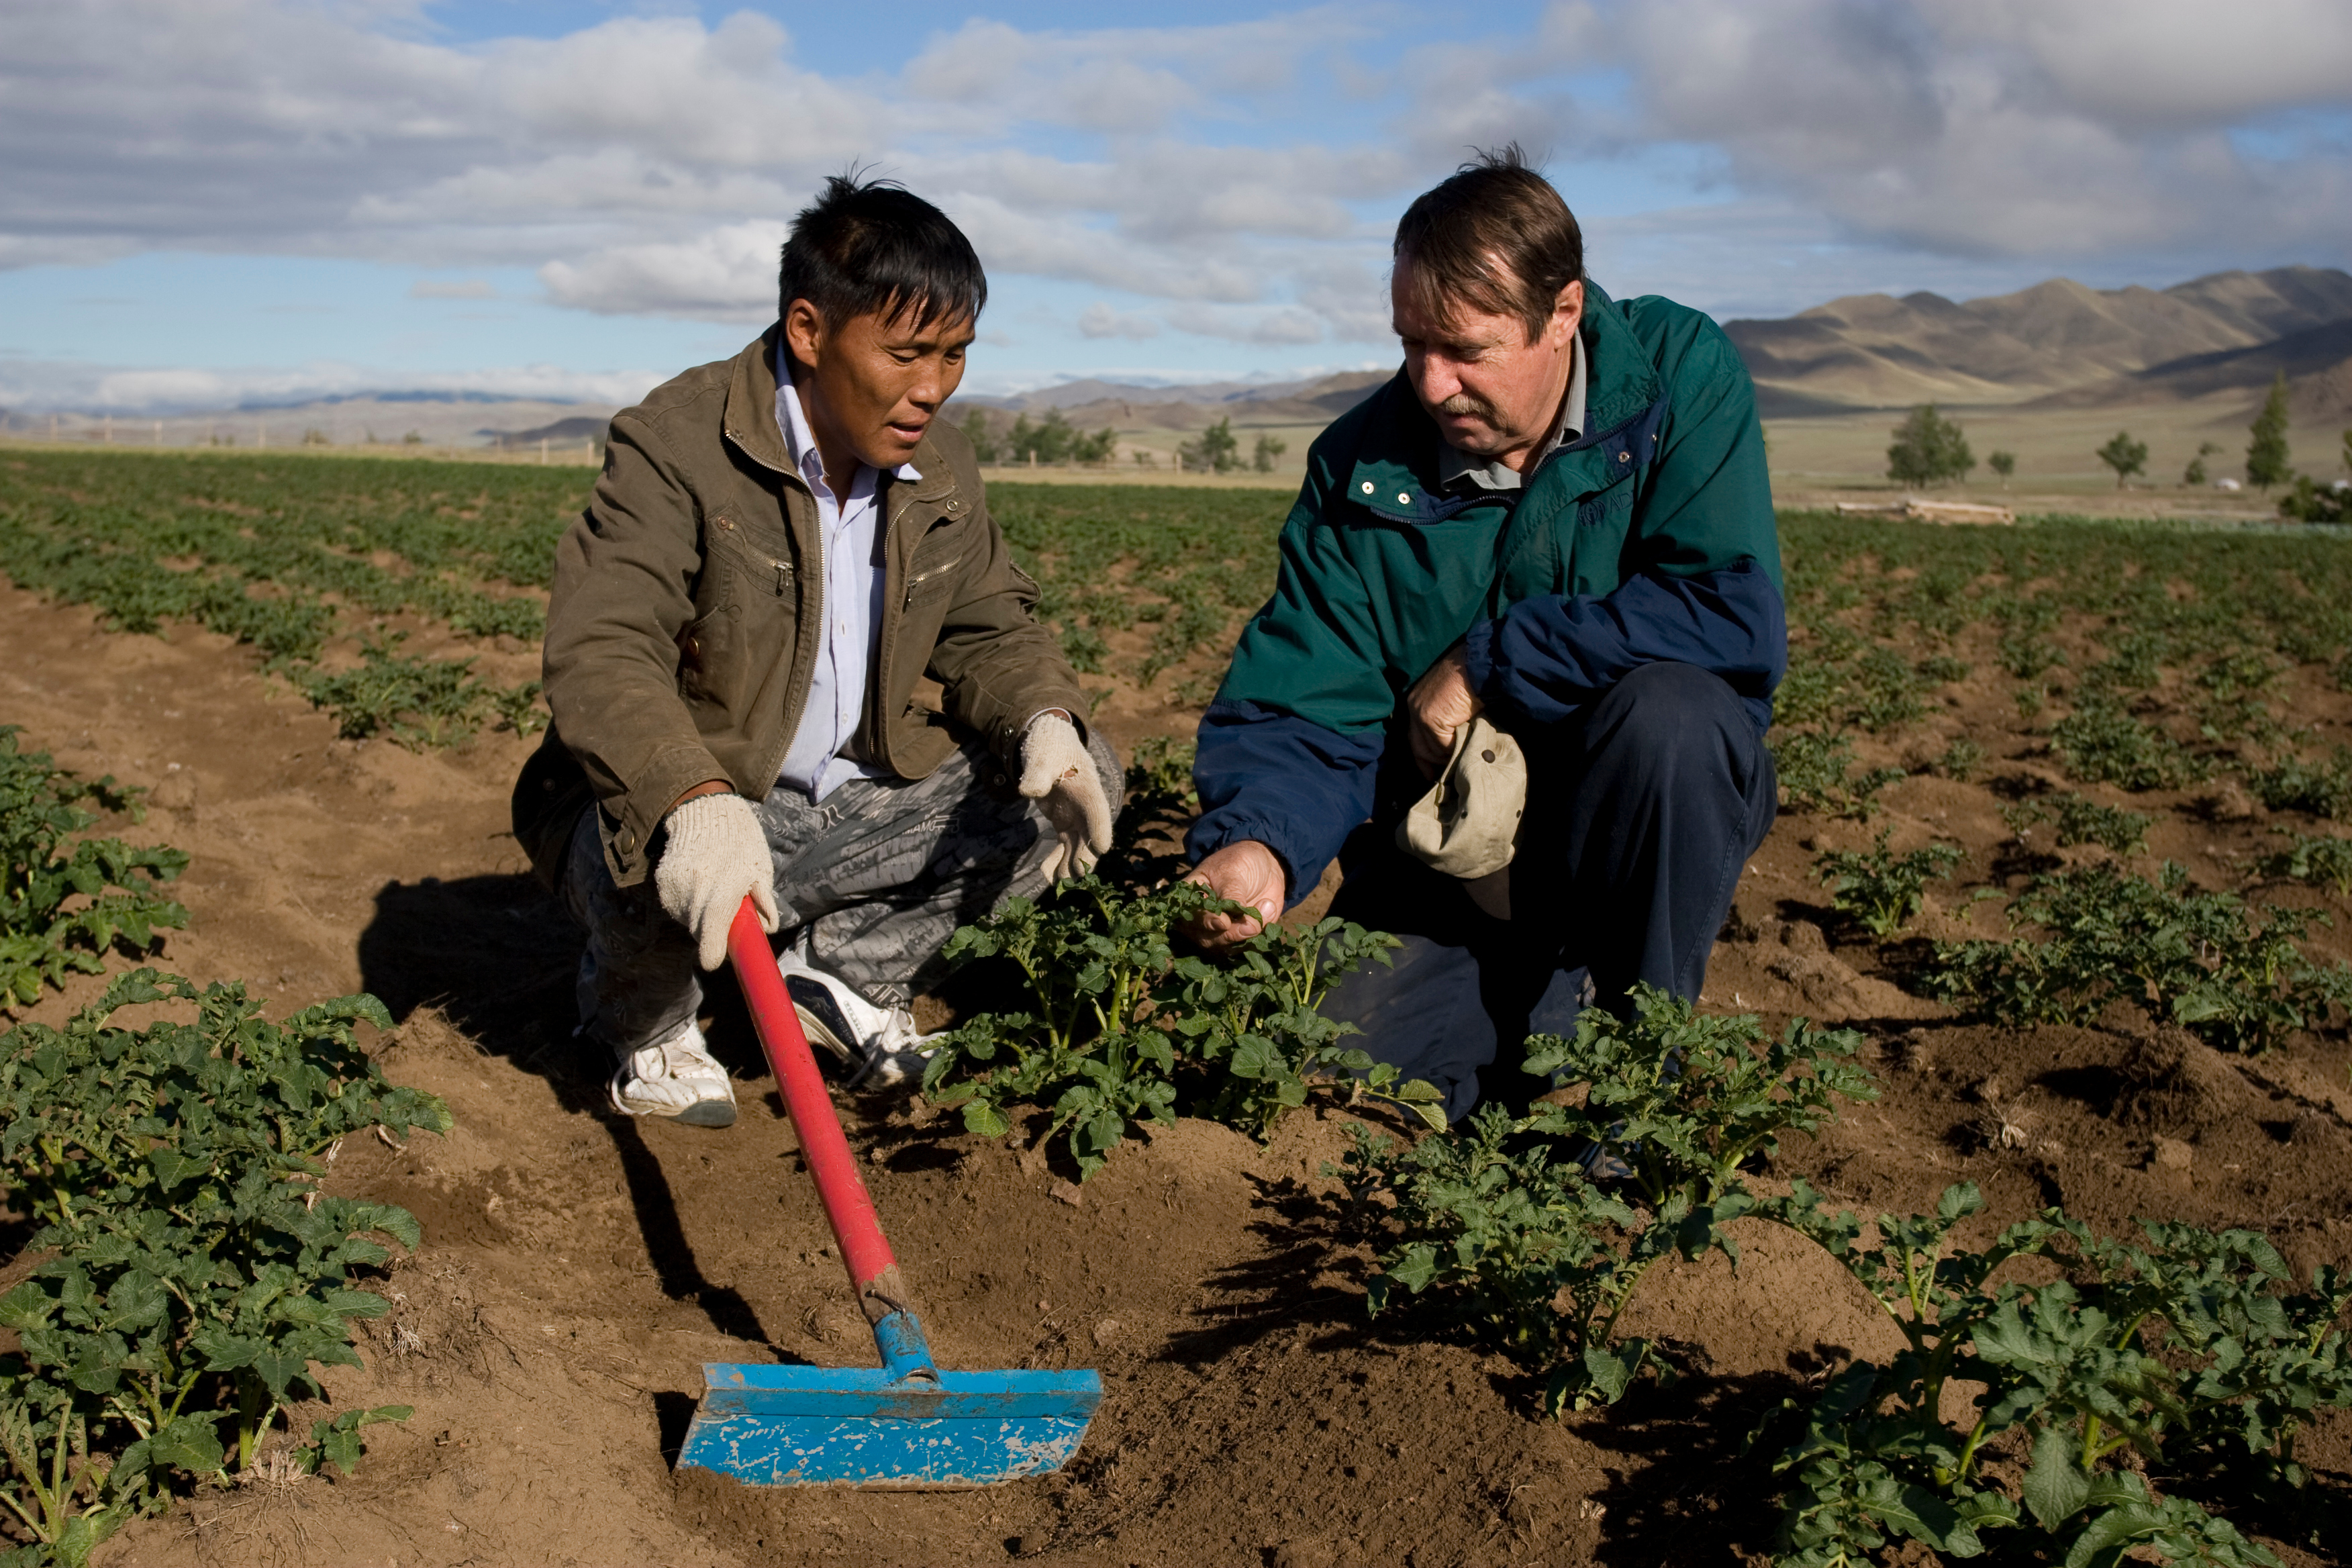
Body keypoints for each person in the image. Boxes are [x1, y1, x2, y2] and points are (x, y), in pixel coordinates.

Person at [1181, 146, 1785, 1123]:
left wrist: (1488, 660)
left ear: (1563, 314)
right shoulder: (1359, 463)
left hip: (1630, 830)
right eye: (1412, 343)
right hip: (1446, 852)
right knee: (1330, 1099)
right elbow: (1307, 700)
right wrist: (1262, 844)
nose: (1432, 383)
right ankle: (1527, 1002)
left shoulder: (1675, 378)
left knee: (1671, 715)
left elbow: (1729, 614)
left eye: (1465, 349)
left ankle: (1638, 1069)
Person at [511, 175, 1119, 1129]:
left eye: (955, 354)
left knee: (1077, 777)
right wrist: (691, 796)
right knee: (649, 826)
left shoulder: (941, 466)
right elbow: (604, 645)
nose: (933, 387)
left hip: (847, 800)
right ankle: (649, 1026)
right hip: (713, 797)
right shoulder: (679, 445)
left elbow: (992, 625)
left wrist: (1043, 716)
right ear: (809, 330)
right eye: (906, 353)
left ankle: (842, 978)